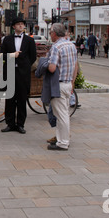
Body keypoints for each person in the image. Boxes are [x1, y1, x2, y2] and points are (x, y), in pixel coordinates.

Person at [1, 17, 37, 134]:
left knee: (22, 99)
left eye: (22, 24)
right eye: (18, 24)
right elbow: (1, 56)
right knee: (10, 100)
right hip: (10, 73)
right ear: (13, 27)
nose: (21, 26)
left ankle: (20, 124)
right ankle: (10, 124)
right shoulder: (7, 39)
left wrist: (24, 65)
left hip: (23, 74)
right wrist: (12, 55)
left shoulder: (29, 40)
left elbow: (33, 57)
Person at [47, 23, 78, 151]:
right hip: (67, 84)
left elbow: (52, 68)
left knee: (61, 115)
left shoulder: (56, 47)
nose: (50, 35)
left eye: (50, 33)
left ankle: (63, 142)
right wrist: (72, 82)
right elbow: (75, 66)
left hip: (58, 85)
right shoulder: (71, 45)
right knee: (62, 113)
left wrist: (46, 64)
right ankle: (61, 140)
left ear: (54, 33)